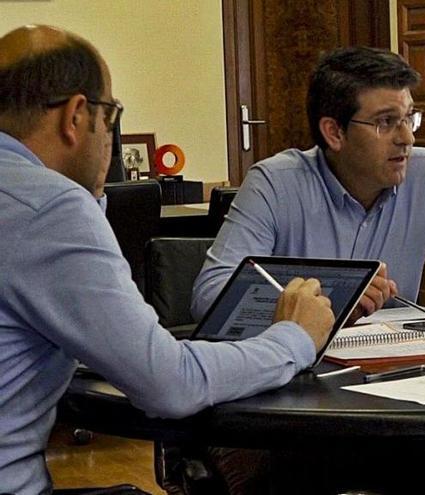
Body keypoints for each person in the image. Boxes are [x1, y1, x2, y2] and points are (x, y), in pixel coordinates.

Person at [0, 25, 335, 495]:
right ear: (77, 115)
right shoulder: (48, 206)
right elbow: (170, 384)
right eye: (110, 115)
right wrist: (295, 339)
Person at [192, 46, 425, 323]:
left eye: (409, 118)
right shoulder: (274, 183)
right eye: (386, 122)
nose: (406, 138)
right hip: (297, 378)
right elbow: (211, 296)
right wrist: (332, 300)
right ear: (334, 132)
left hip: (397, 375)